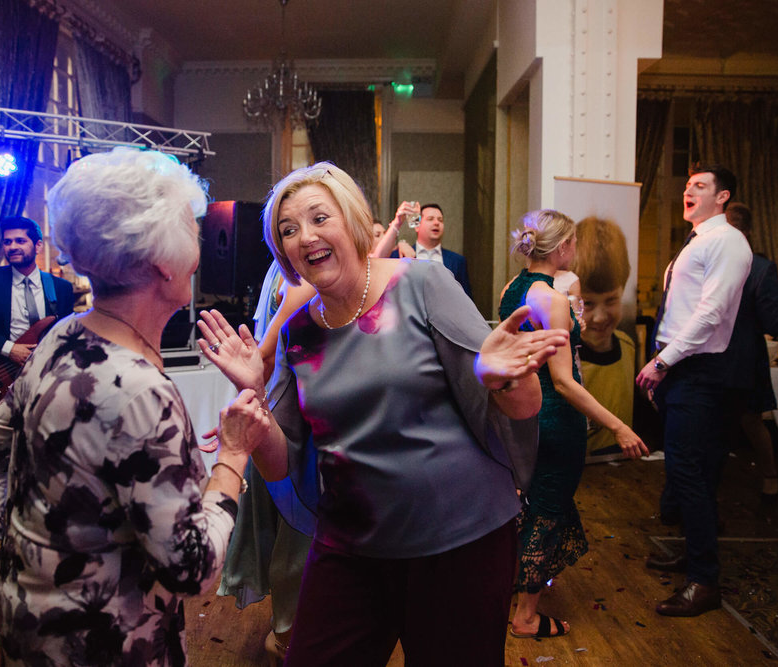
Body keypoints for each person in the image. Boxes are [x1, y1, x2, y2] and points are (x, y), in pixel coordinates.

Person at [196, 161, 569, 666]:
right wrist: (253, 395)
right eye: (288, 230)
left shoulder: (422, 285)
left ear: (352, 221)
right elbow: (282, 462)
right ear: (281, 251)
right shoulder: (296, 330)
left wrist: (508, 379)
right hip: (352, 545)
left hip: (460, 541)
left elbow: (519, 407)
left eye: (318, 218)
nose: (305, 237)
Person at [0, 148, 261, 666]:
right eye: (191, 228)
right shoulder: (139, 391)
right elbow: (191, 568)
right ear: (163, 262)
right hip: (106, 646)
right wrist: (232, 458)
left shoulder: (60, 336)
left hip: (25, 626)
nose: (200, 244)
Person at [499, 210, 648, 639]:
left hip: (522, 413)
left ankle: (518, 584)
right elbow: (564, 381)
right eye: (574, 244)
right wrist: (618, 426)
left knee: (529, 504)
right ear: (562, 247)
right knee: (548, 508)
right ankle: (527, 617)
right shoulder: (553, 298)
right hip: (555, 418)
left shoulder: (513, 290)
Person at [636, 164, 752, 617]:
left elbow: (710, 314)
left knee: (689, 472)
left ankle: (705, 581)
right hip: (683, 370)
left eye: (699, 186)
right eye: (687, 185)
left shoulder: (726, 241)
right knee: (689, 471)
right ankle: (694, 554)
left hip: (698, 371)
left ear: (722, 197)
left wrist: (664, 361)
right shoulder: (700, 241)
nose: (688, 191)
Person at [216, 260, 315, 665]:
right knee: (297, 532)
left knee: (291, 530)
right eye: (288, 227)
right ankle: (289, 638)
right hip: (291, 417)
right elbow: (267, 356)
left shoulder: (283, 270)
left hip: (287, 411)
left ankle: (289, 634)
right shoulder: (301, 278)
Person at [0, 216, 74, 365]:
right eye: (7, 242)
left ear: (38, 246)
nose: (13, 247)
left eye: (20, 241)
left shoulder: (61, 288)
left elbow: (67, 335)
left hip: (46, 373)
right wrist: (9, 349)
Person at [723, 203, 778, 498]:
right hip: (732, 355)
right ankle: (767, 478)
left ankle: (769, 475)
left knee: (747, 420)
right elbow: (774, 321)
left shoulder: (759, 268)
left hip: (741, 355)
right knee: (747, 420)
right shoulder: (710, 261)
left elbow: (773, 321)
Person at [572, 217, 637, 459]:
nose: (599, 318)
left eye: (611, 300)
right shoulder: (561, 355)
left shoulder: (629, 347)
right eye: (588, 303)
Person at [386, 202, 472, 297]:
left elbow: (466, 299)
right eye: (430, 219)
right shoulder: (398, 256)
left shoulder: (457, 261)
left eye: (440, 220)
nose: (436, 223)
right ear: (417, 226)